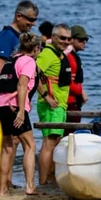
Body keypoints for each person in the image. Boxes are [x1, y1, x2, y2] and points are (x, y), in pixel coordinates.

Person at [0, 0, 39, 190]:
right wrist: (17, 105)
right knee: (18, 143)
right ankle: (19, 185)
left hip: (3, 100)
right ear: (19, 16)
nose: (33, 23)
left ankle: (5, 185)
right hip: (9, 99)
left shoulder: (20, 44)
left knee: (10, 143)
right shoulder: (7, 36)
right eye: (30, 19)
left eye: (35, 20)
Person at [36, 24, 72, 185]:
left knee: (55, 141)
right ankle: (43, 181)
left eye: (68, 39)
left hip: (60, 106)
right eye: (62, 38)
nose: (66, 42)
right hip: (51, 106)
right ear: (54, 37)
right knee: (49, 142)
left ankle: (50, 178)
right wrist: (46, 96)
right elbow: (32, 73)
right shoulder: (48, 54)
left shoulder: (59, 55)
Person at [66, 25, 90, 126]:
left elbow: (76, 80)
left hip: (75, 100)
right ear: (71, 40)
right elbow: (68, 81)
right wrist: (81, 92)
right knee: (69, 132)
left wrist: (81, 91)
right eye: (81, 39)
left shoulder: (74, 56)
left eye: (86, 39)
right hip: (69, 101)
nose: (84, 42)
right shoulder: (69, 57)